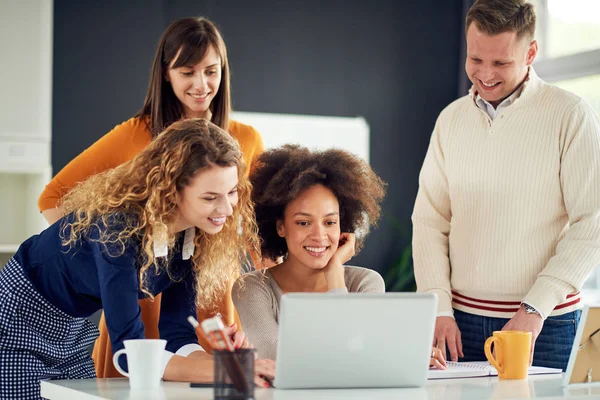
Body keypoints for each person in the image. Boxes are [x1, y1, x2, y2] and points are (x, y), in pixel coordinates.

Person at [37, 17, 265, 377]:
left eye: (211, 71)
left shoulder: (245, 140)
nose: (201, 84)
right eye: (188, 71)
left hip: (205, 294)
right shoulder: (134, 135)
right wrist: (112, 263)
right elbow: (53, 199)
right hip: (131, 301)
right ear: (166, 73)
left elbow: (252, 234)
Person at [0, 119, 275, 400]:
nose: (227, 208)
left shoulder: (189, 237)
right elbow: (129, 354)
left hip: (72, 330)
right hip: (18, 318)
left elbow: (178, 334)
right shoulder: (116, 229)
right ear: (170, 190)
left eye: (232, 192)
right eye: (210, 197)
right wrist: (228, 370)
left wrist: (231, 365)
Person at [412, 0, 600, 371]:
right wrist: (438, 304)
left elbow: (591, 224)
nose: (485, 75)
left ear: (531, 52)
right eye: (476, 60)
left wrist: (535, 308)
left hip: (545, 325)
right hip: (459, 324)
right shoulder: (450, 120)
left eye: (500, 63)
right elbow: (430, 220)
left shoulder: (570, 115)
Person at [232, 145, 447, 369]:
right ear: (280, 227)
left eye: (330, 222)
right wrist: (384, 354)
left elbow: (357, 353)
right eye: (303, 222)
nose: (319, 235)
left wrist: (335, 273)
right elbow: (277, 358)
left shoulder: (366, 283)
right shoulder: (251, 288)